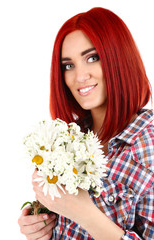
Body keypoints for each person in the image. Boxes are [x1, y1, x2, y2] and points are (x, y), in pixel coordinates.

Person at [18, 7, 154, 240]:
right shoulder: (69, 138)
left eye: (92, 58)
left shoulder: (148, 145)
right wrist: (40, 227)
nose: (79, 77)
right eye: (68, 65)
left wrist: (84, 212)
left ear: (119, 58)